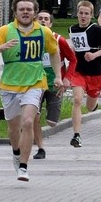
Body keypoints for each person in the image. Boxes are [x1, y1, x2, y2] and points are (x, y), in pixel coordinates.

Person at [0, 0, 64, 182]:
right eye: (22, 9)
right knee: (14, 128)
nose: (26, 12)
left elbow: (54, 52)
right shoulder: (5, 30)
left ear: (35, 12)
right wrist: (2, 47)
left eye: (29, 9)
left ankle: (23, 166)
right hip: (10, 84)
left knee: (28, 122)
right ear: (15, 12)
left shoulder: (43, 32)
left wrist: (59, 77)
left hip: (35, 82)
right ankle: (16, 152)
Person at [67, 1, 101, 148]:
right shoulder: (72, 29)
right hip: (78, 71)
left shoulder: (97, 30)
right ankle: (76, 135)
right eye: (81, 13)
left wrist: (95, 55)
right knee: (77, 99)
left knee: (89, 106)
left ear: (91, 15)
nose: (83, 16)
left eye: (86, 13)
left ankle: (94, 106)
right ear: (77, 13)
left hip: (95, 73)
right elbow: (75, 47)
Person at [32, 10, 77, 159]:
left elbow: (73, 60)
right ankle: (40, 148)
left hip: (55, 85)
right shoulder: (29, 40)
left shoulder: (59, 40)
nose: (43, 21)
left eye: (46, 19)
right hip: (35, 84)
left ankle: (46, 112)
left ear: (50, 24)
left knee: (51, 122)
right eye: (40, 19)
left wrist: (66, 79)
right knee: (34, 117)